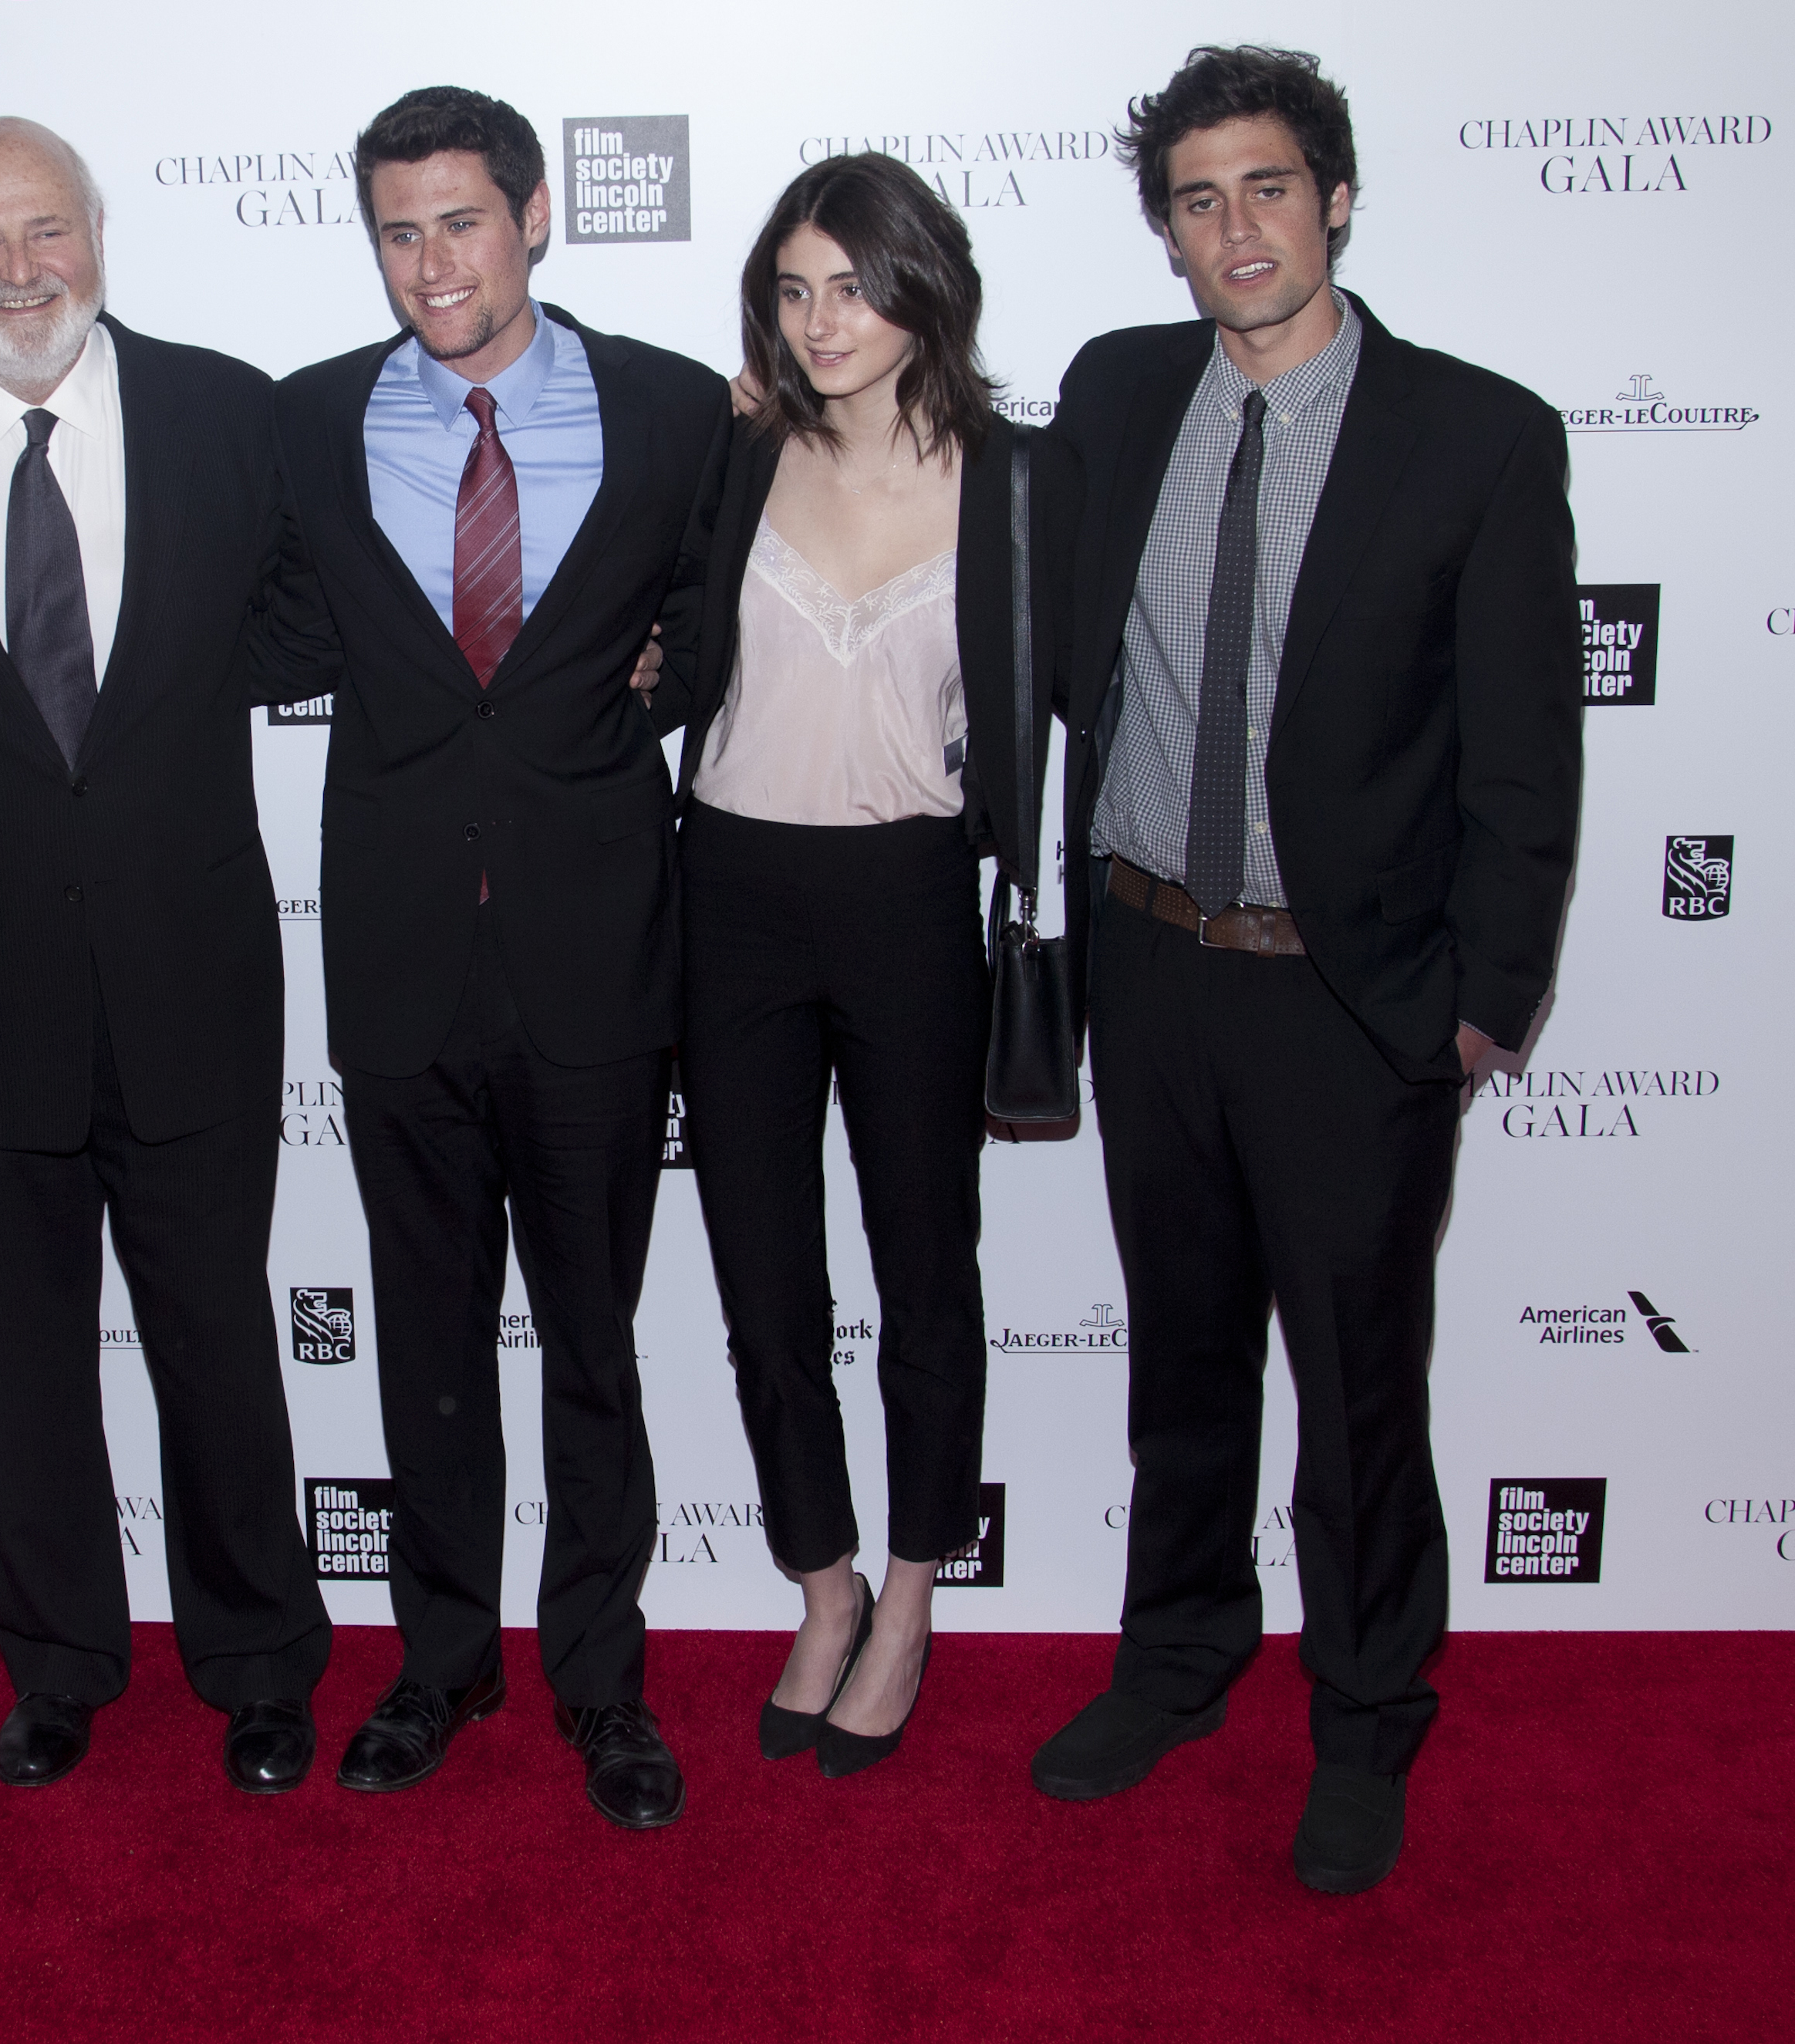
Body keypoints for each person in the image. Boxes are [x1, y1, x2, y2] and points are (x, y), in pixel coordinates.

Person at [1024, 47, 1581, 1893]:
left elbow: (1523, 756)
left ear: (1332, 199)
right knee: (1179, 1362)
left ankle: (1363, 1717)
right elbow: (973, 530)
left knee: (1354, 1393)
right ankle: (1177, 1657)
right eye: (1197, 200)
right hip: (1149, 961)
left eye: (1266, 186)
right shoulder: (1116, 392)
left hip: (1350, 994)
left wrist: (1479, 1000)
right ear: (1166, 232)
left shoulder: (1476, 436)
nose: (1235, 228)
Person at [0, 118, 334, 1795]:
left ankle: (257, 1659)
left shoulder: (227, 415)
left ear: (98, 235)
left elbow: (314, 623)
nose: (19, 271)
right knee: (16, 1358)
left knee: (217, 1346)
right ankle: (58, 1660)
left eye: (46, 231)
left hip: (193, 974)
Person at [258, 86, 728, 1830]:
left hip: (595, 951)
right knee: (428, 1341)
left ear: (535, 214)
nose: (430, 262)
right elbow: (236, 627)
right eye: (398, 230)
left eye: (460, 220)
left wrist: (659, 678)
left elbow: (722, 616)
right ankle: (442, 1659)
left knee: (594, 1339)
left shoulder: (676, 409)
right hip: (395, 959)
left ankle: (601, 1678)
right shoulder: (309, 422)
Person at [645, 153, 1055, 1779]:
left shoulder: (1017, 483)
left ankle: (910, 1594)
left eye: (856, 286)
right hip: (732, 891)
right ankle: (820, 1584)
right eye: (795, 290)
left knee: (923, 1269)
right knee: (764, 1281)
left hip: (906, 896)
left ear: (924, 289)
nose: (823, 321)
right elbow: (660, 632)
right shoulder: (738, 451)